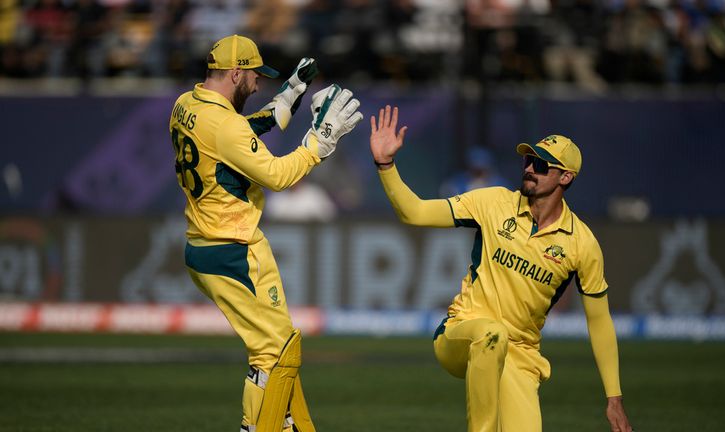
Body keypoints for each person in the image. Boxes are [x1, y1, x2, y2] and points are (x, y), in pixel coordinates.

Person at [369, 105, 633, 432]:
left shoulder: (582, 244)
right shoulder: (494, 202)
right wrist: (386, 164)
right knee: (490, 332)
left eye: (541, 165)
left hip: (520, 355)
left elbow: (600, 321)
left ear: (566, 177)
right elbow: (416, 212)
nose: (530, 169)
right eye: (528, 160)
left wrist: (614, 397)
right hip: (462, 333)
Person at [169, 34, 362, 432]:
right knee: (277, 355)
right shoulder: (225, 127)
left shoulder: (186, 104)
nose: (258, 85)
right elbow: (277, 175)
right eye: (255, 76)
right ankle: (259, 427)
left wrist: (292, 92)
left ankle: (292, 426)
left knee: (276, 348)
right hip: (235, 248)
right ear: (237, 72)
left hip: (202, 246)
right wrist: (320, 143)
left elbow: (244, 130)